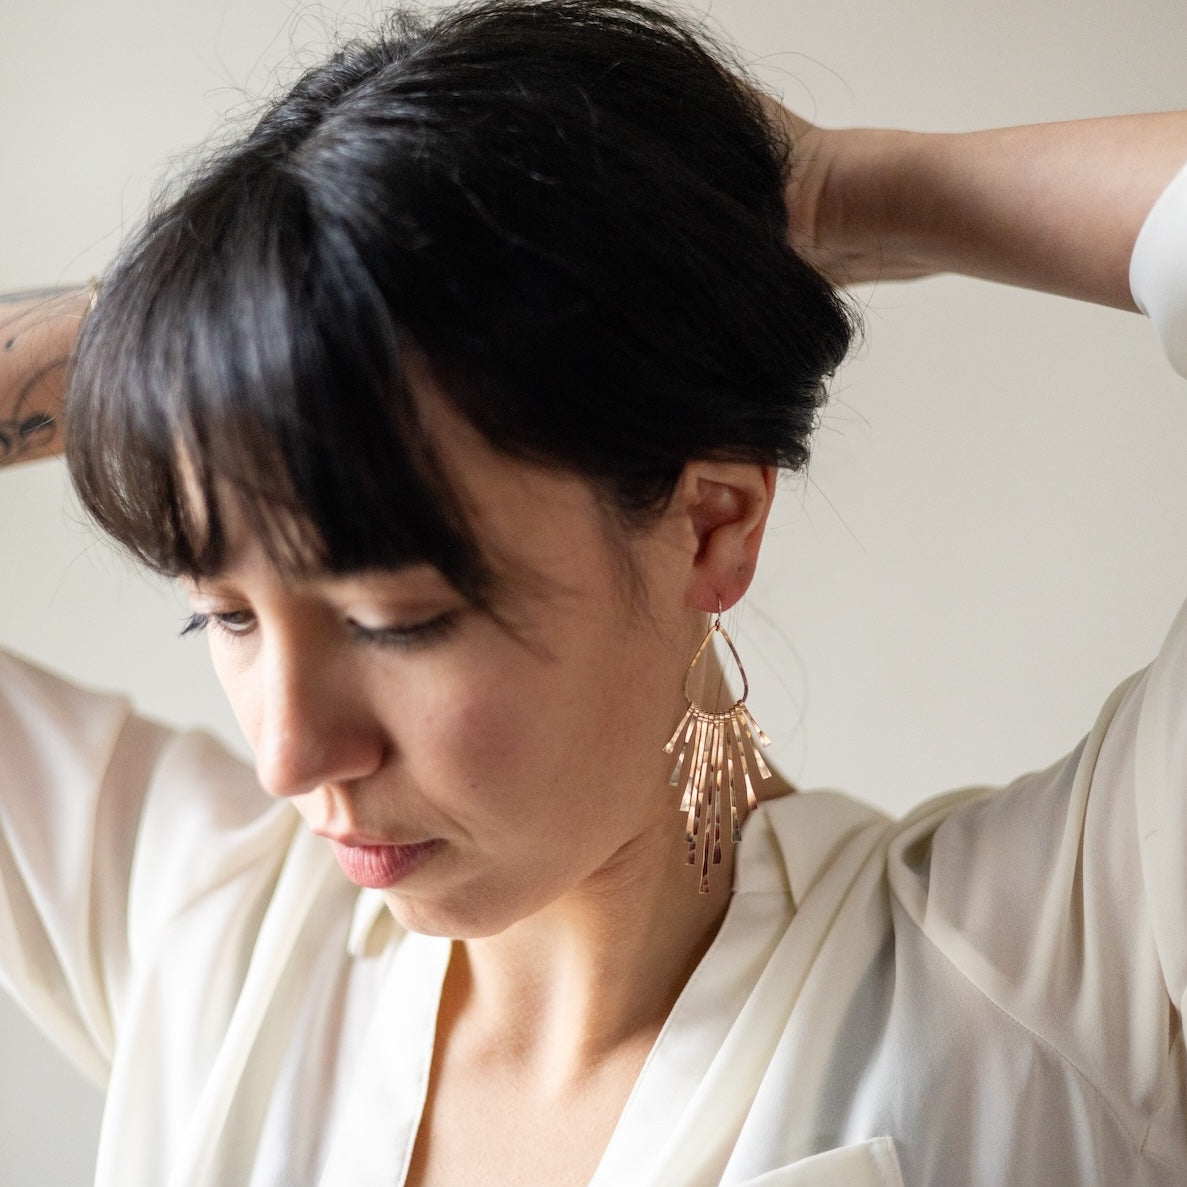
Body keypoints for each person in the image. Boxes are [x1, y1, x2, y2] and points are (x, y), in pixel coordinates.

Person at [1, 1, 1185, 1183]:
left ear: (711, 524)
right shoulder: (207, 937)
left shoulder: (1050, 975)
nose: (289, 754)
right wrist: (224, 315)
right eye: (226, 614)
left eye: (395, 622)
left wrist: (836, 194)